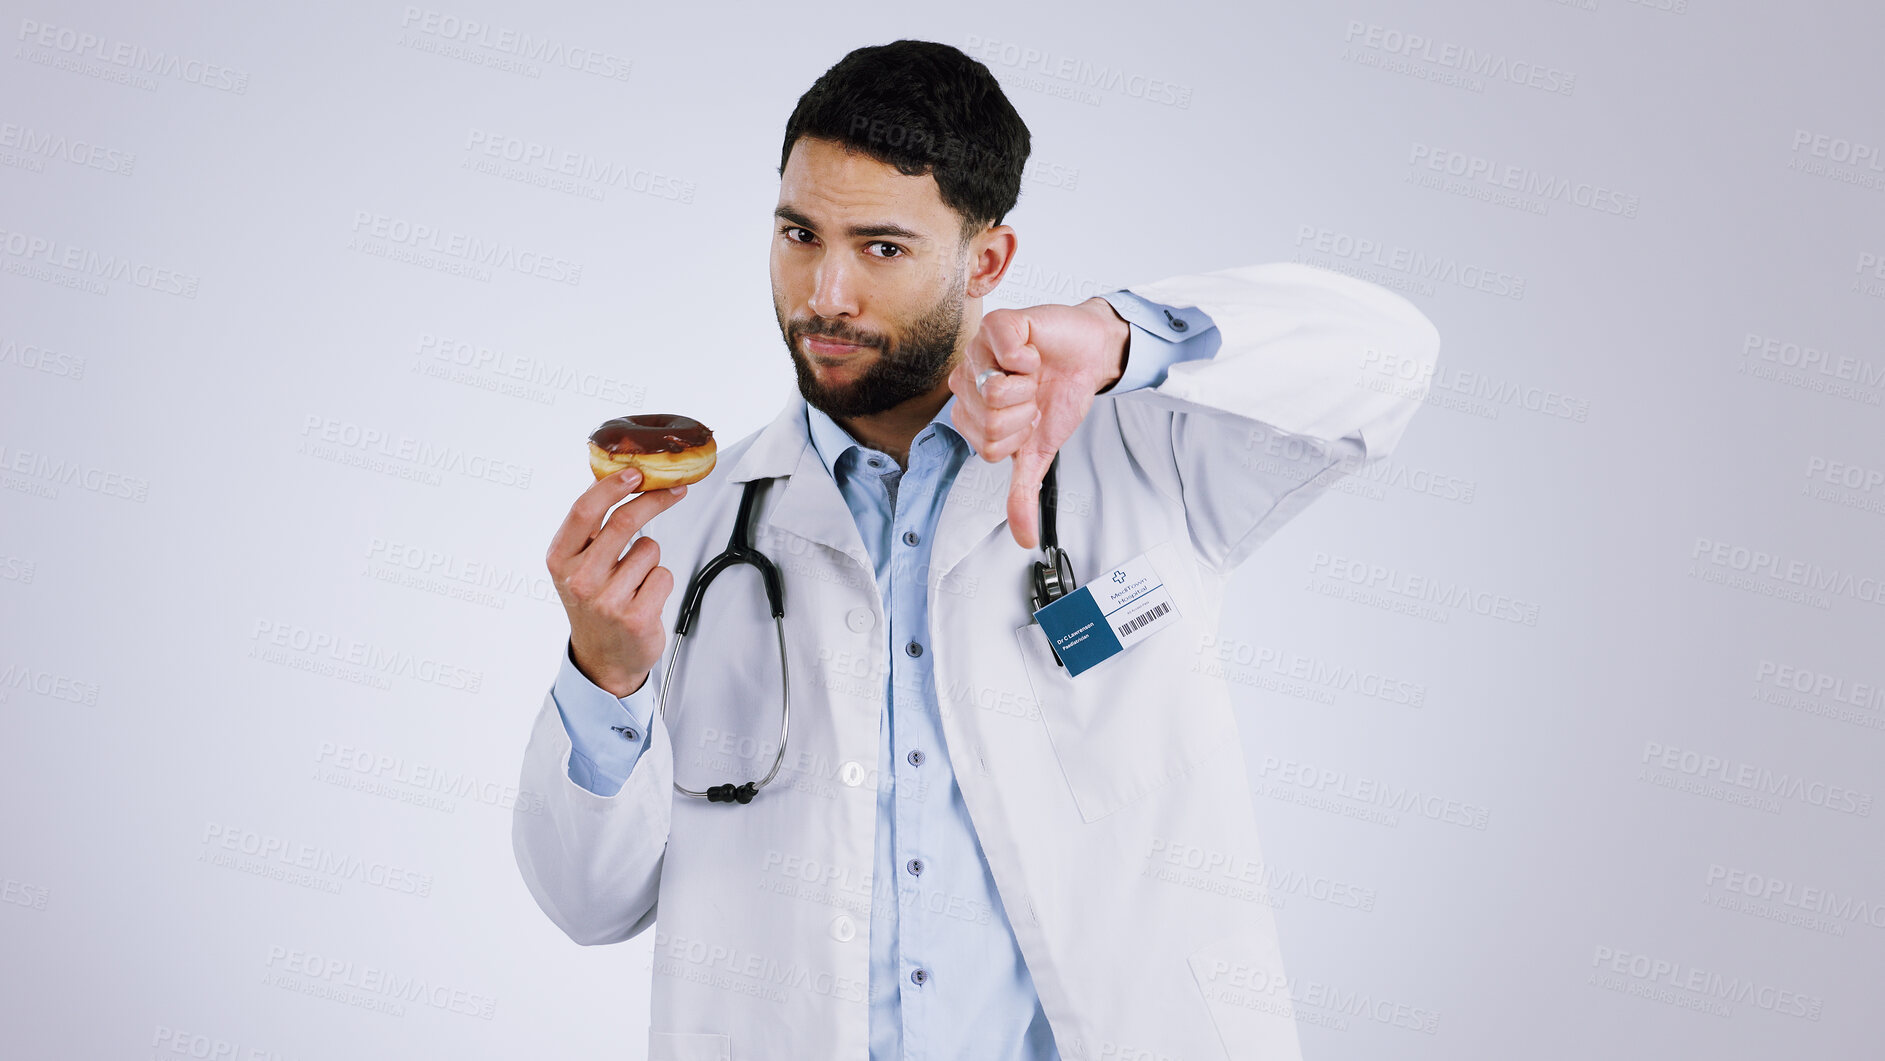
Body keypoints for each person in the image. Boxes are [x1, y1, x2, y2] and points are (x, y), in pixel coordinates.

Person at [515, 38, 1440, 1061]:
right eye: (797, 233)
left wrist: (1121, 335)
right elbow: (588, 902)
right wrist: (603, 676)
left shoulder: (1146, 459)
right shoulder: (686, 535)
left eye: (881, 247)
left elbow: (1389, 358)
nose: (823, 292)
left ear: (986, 260)